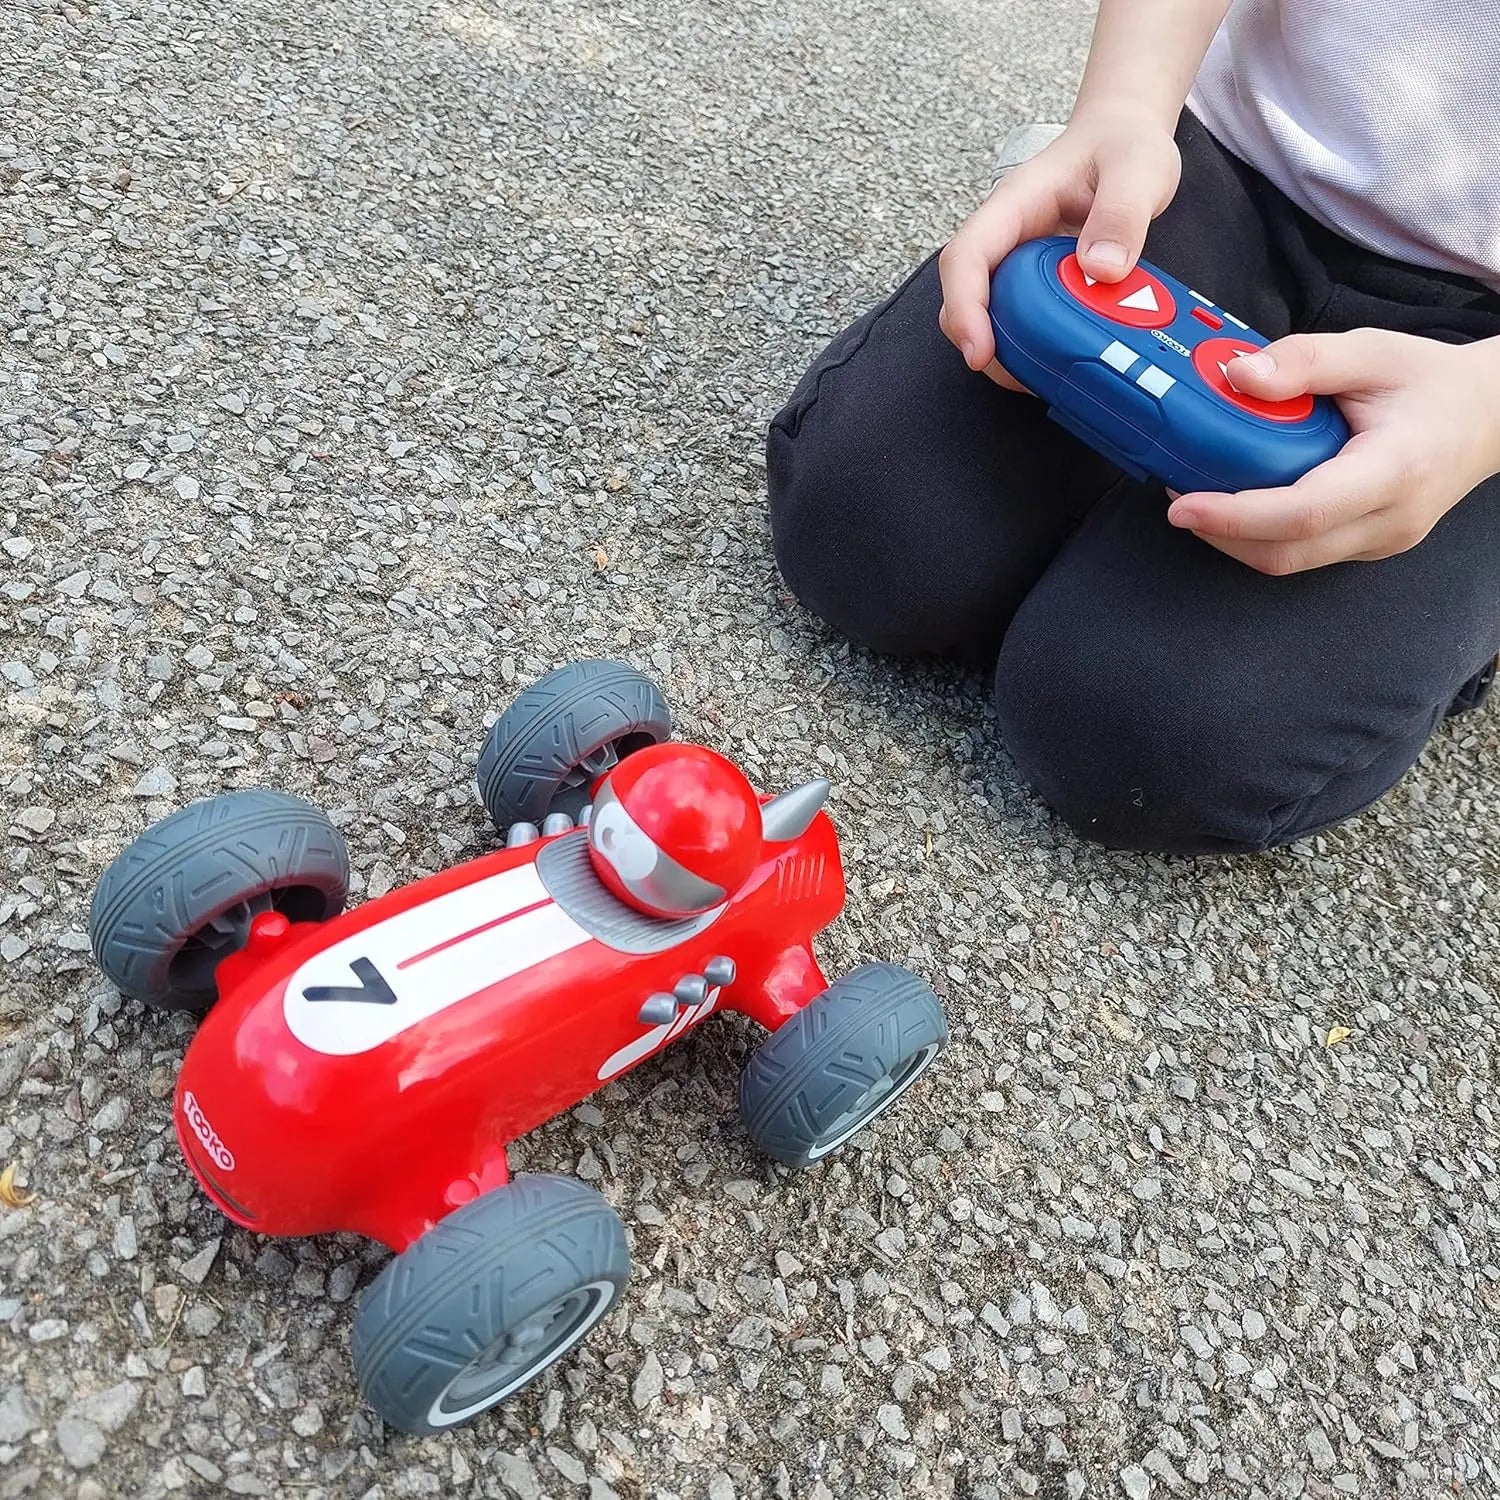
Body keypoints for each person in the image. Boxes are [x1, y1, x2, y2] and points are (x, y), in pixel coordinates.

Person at [766, 0, 1500, 856]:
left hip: (1474, 359)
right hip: (1226, 158)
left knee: (1151, 740)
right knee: (864, 534)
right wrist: (1122, 108)